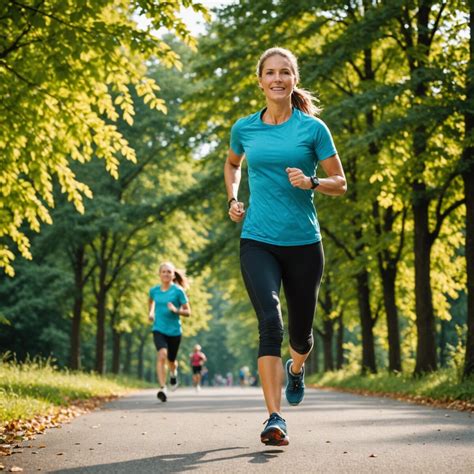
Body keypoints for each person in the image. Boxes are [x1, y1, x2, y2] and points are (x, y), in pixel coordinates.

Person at [224, 47, 346, 446]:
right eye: (270, 73)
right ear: (259, 80)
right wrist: (233, 198)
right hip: (257, 239)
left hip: (304, 244)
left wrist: (311, 182)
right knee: (270, 323)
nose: (277, 79)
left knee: (301, 337)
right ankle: (274, 418)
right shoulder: (244, 128)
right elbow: (232, 164)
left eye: (284, 73)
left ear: (294, 79)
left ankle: (296, 369)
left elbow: (340, 183)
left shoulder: (313, 129)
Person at [148, 262, 191, 402]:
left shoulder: (178, 291)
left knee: (171, 361)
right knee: (162, 355)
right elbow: (151, 302)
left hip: (174, 332)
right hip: (158, 329)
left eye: (169, 272)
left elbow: (188, 311)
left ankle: (173, 373)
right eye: (164, 271)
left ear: (173, 275)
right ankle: (162, 388)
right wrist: (151, 312)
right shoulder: (154, 291)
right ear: (159, 274)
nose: (166, 274)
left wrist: (176, 310)